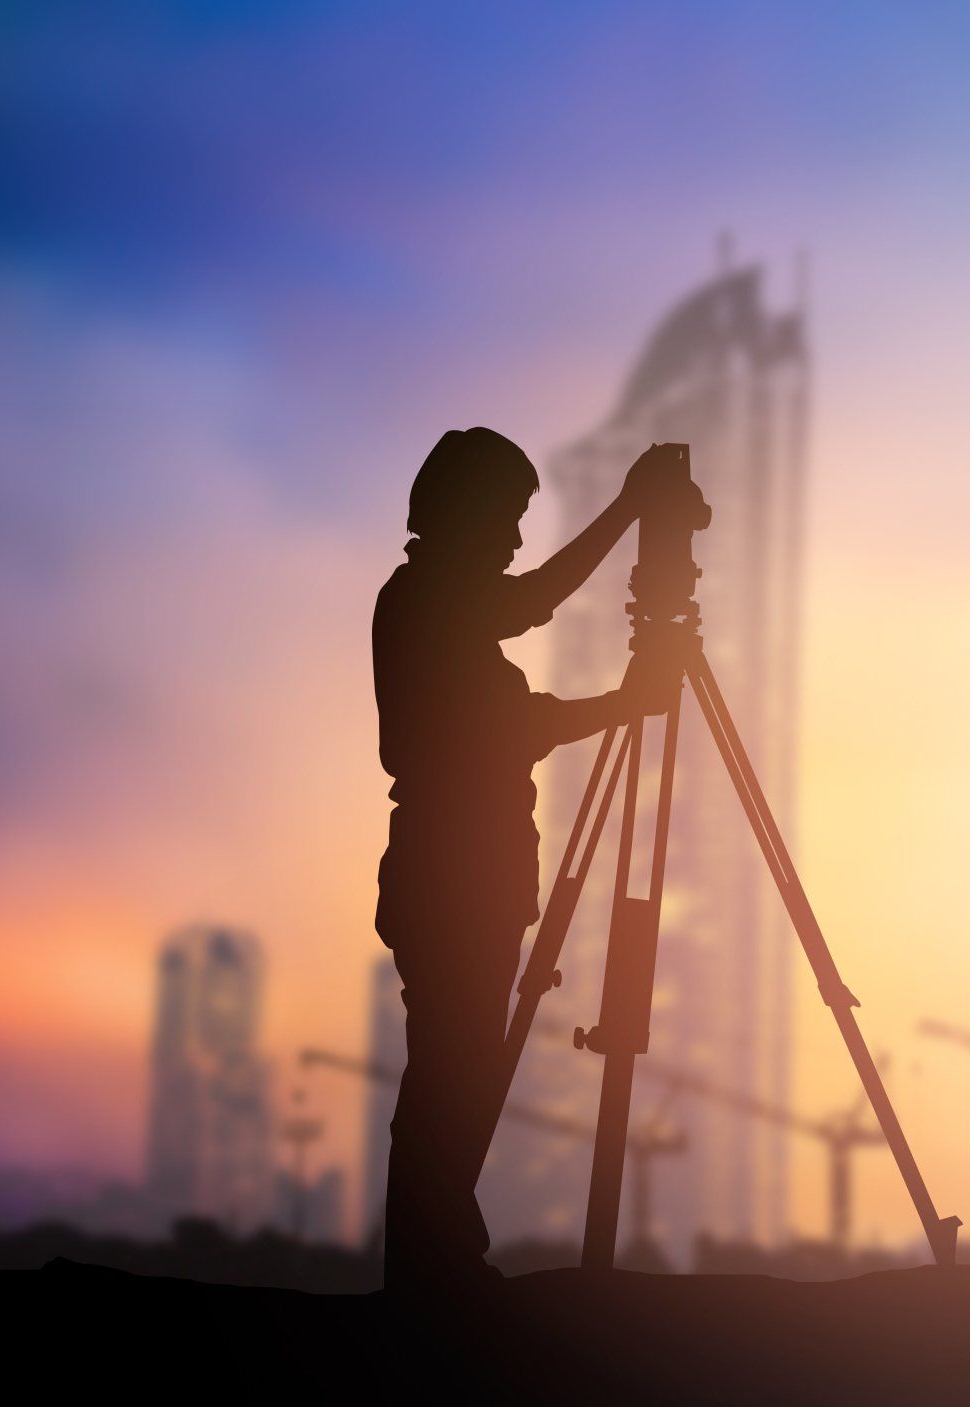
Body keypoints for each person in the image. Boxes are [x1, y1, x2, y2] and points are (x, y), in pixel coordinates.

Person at [372, 426, 687, 1292]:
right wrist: (627, 510)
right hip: (452, 878)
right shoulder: (428, 600)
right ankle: (434, 1273)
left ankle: (436, 1263)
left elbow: (523, 632)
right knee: (452, 1075)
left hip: (463, 875)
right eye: (507, 518)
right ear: (466, 515)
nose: (515, 538)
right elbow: (519, 705)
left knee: (457, 1072)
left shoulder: (433, 601)